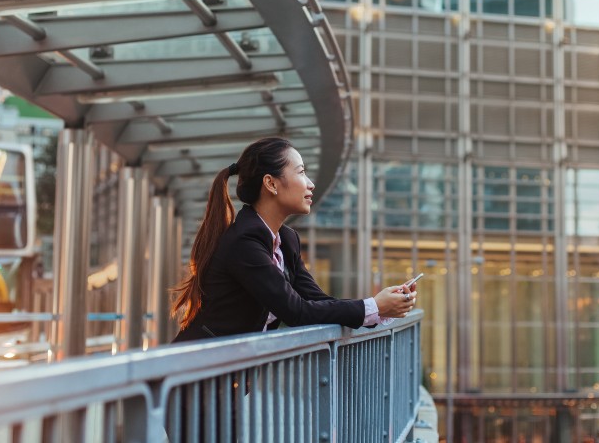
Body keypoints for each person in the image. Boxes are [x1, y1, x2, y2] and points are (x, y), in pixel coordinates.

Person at [171, 137, 416, 342]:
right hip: (191, 378)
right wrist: (374, 306)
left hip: (220, 378)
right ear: (271, 183)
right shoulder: (244, 242)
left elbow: (317, 301)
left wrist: (382, 308)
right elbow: (296, 311)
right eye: (301, 172)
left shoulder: (286, 240)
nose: (310, 184)